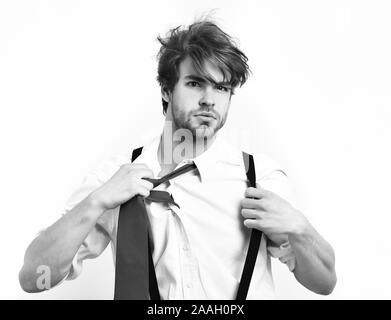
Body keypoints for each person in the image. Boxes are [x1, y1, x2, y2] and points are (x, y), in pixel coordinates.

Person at [19, 20, 336, 299]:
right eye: (196, 83)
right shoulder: (115, 178)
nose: (209, 100)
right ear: (167, 89)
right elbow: (35, 278)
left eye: (222, 87)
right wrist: (95, 203)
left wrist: (300, 230)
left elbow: (324, 283)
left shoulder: (259, 179)